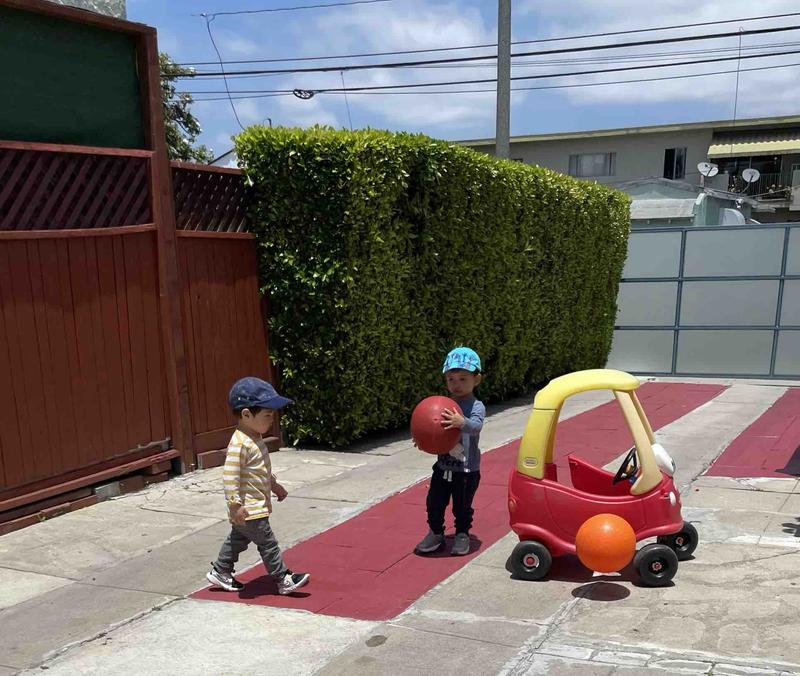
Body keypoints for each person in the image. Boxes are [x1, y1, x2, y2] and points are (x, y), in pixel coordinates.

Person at [206, 377, 310, 595]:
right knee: (268, 543)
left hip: (252, 507)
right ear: (246, 414)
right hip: (250, 508)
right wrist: (235, 505)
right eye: (267, 414)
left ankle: (221, 570)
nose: (272, 419)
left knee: (238, 539)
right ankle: (283, 579)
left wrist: (275, 486)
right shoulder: (239, 444)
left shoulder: (255, 438)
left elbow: (261, 471)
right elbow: (230, 477)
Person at [415, 347, 486, 556]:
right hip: (443, 467)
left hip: (467, 470)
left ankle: (462, 534)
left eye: (463, 379)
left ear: (477, 379)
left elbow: (476, 426)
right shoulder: (442, 405)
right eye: (451, 379)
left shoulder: (476, 405)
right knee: (434, 502)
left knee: (462, 507)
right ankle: (436, 532)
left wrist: (461, 421)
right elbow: (432, 428)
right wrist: (422, 438)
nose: (456, 384)